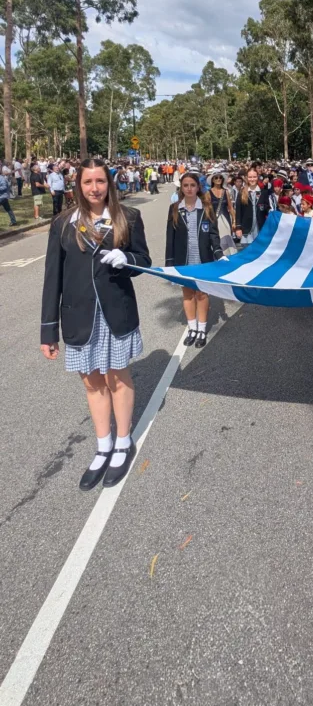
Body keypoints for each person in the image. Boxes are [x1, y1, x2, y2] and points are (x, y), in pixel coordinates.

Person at [40, 159, 151, 490]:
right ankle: (103, 444)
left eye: (100, 181)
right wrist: (48, 329)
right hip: (79, 315)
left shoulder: (127, 217)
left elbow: (144, 261)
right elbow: (52, 278)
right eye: (88, 181)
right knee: (91, 382)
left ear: (109, 183)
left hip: (115, 311)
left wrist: (127, 259)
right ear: (78, 184)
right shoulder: (63, 223)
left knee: (117, 377)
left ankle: (122, 440)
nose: (94, 188)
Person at [166, 172, 223, 349]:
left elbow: (213, 233)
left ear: (198, 187)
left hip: (203, 258)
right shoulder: (175, 208)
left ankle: (201, 329)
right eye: (186, 185)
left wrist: (219, 253)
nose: (189, 188)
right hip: (184, 259)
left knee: (202, 293)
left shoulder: (206, 207)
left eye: (192, 185)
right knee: (188, 294)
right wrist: (170, 263)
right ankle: (192, 328)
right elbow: (170, 237)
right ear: (181, 188)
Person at [235, 167, 269, 246]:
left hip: (259, 228)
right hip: (246, 229)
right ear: (247, 178)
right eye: (250, 177)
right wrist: (238, 228)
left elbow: (267, 209)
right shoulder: (242, 192)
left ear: (257, 177)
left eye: (254, 177)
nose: (252, 179)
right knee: (246, 252)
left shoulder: (263, 192)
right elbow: (238, 212)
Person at [208, 172, 237, 256]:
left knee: (227, 238)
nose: (218, 179)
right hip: (214, 221)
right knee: (218, 239)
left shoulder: (226, 192)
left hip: (226, 220)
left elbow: (231, 208)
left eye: (220, 177)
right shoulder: (208, 193)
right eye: (216, 178)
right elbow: (207, 210)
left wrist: (234, 221)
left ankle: (228, 256)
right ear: (213, 180)